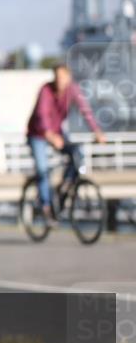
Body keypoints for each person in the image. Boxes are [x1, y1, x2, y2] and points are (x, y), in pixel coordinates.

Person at [26, 63, 106, 224]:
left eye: (63, 77)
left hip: (57, 132)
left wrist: (97, 131)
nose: (60, 81)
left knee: (77, 153)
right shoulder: (46, 90)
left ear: (69, 78)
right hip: (38, 134)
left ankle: (65, 185)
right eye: (57, 77)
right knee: (42, 170)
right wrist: (49, 135)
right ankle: (46, 208)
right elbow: (42, 116)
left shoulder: (72, 90)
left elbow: (85, 110)